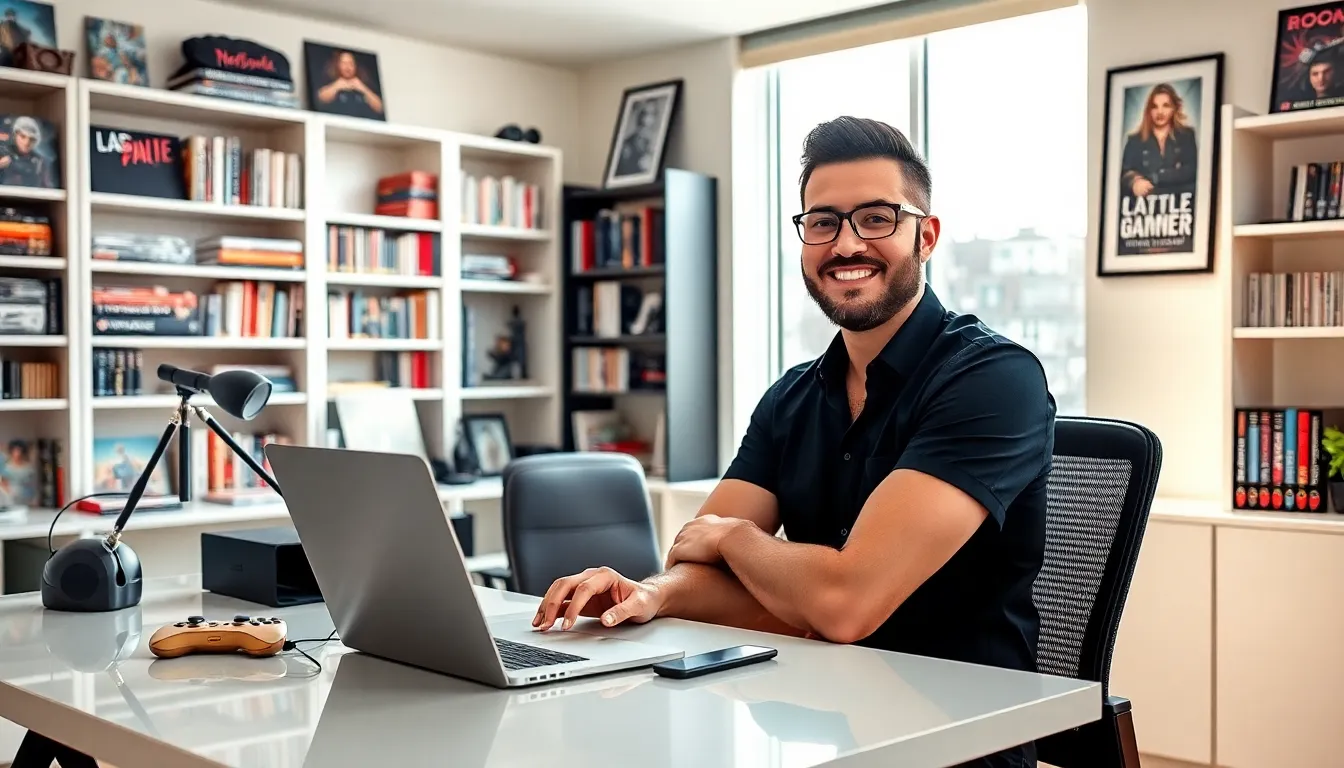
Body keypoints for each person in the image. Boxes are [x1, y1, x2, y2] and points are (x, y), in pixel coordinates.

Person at [532, 116, 1056, 768]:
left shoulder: (994, 380)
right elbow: (699, 565)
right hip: (817, 716)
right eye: (823, 222)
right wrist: (650, 595)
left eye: (876, 218)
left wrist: (739, 541)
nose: (845, 243)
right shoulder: (793, 397)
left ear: (927, 236)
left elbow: (843, 603)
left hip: (959, 735)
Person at [1119, 83, 1197, 200]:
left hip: (1180, 203)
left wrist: (1156, 177)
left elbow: (1191, 171)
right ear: (1149, 111)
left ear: (1174, 108)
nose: (1160, 112)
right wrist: (1135, 182)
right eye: (1154, 106)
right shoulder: (1134, 140)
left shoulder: (1186, 136)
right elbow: (1124, 173)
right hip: (1145, 208)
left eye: (1166, 105)